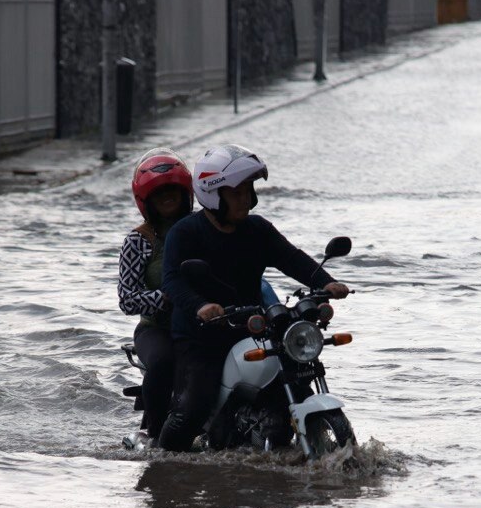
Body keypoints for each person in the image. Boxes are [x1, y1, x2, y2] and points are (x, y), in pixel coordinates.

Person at [157, 143, 349, 452]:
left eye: (249, 190)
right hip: (201, 335)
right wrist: (201, 306)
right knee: (191, 409)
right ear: (212, 193)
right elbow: (172, 280)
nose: (246, 198)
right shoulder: (186, 232)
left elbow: (293, 259)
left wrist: (327, 282)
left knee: (295, 376)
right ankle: (162, 465)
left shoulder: (257, 229)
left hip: (251, 326)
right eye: (237, 192)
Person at [117, 147, 193, 447]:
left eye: (172, 190)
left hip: (203, 324)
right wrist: (166, 298)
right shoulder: (138, 241)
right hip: (157, 328)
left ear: (185, 192)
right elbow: (127, 298)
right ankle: (159, 435)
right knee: (162, 362)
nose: (167, 197)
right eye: (159, 194)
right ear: (146, 201)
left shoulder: (202, 230)